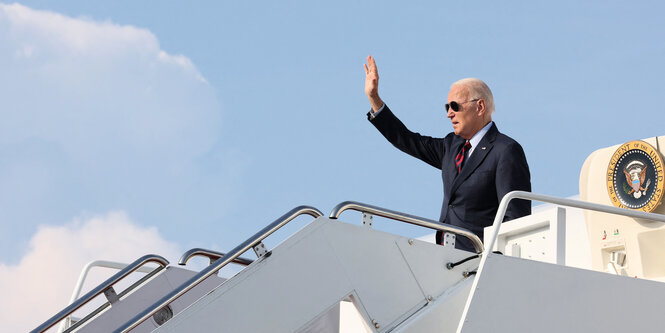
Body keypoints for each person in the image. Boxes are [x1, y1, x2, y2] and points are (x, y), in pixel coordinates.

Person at [363, 55, 531, 252]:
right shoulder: (452, 146)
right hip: (446, 257)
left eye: (455, 106)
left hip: (480, 260)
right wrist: (374, 98)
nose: (449, 113)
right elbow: (407, 140)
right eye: (447, 107)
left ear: (480, 107)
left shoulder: (505, 150)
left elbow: (516, 217)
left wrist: (495, 262)